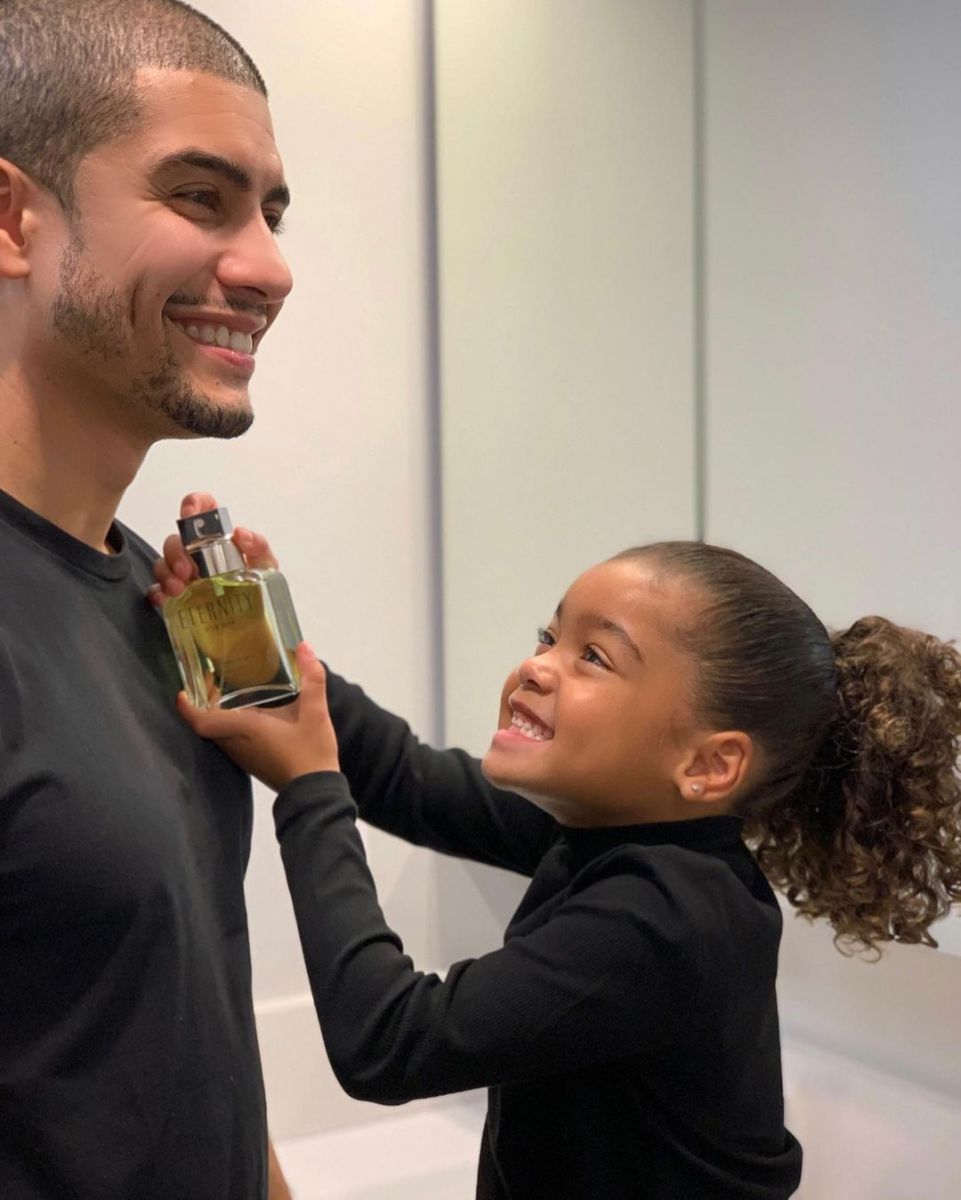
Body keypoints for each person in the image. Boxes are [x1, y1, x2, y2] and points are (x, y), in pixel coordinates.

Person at [155, 524, 961, 1198]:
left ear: (708, 766)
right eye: (550, 637)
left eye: (594, 658)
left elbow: (389, 1040)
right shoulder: (614, 829)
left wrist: (308, 788)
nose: (538, 665)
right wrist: (268, 647)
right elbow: (409, 781)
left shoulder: (670, 916)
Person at [0, 2, 295, 1196]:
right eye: (201, 197)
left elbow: (173, 1006)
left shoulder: (155, 597)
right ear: (14, 220)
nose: (271, 267)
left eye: (273, 211)